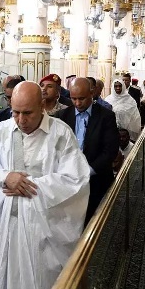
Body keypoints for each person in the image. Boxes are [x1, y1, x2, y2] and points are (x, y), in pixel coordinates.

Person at [0, 81, 90, 289]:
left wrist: (30, 185)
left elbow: (76, 180)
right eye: (15, 112)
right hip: (6, 227)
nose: (20, 120)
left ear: (43, 106)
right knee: (4, 285)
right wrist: (6, 177)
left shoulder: (60, 134)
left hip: (43, 232)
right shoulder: (4, 129)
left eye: (27, 113)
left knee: (40, 288)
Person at [55, 78, 119, 225]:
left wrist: (88, 171)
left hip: (96, 180)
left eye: (82, 98)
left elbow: (110, 150)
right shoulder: (62, 116)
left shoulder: (106, 116)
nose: (77, 103)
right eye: (73, 98)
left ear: (92, 93)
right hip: (68, 179)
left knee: (93, 223)